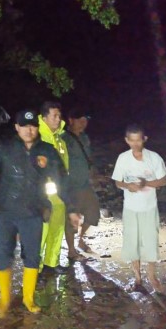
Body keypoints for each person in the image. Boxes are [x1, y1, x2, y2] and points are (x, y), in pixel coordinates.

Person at [0, 110, 79, 318]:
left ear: (37, 128)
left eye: (33, 126)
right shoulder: (5, 149)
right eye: (24, 126)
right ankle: (4, 298)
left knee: (32, 257)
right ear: (17, 128)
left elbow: (61, 181)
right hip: (6, 212)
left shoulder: (46, 151)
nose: (29, 130)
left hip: (33, 213)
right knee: (3, 254)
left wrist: (72, 209)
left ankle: (28, 299)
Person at [111, 124, 166, 293]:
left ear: (144, 140)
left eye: (139, 140)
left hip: (149, 207)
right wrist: (128, 185)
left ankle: (152, 277)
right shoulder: (123, 158)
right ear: (127, 140)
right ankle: (137, 277)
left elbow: (163, 180)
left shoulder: (154, 158)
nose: (135, 144)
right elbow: (117, 181)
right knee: (132, 243)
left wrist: (146, 183)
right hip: (130, 208)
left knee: (150, 242)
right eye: (132, 141)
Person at [62, 108, 101, 259]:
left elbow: (88, 159)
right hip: (70, 186)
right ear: (70, 120)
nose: (83, 123)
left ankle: (80, 240)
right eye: (80, 120)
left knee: (93, 214)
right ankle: (71, 250)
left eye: (85, 120)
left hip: (85, 183)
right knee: (72, 218)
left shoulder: (85, 138)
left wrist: (94, 176)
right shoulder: (64, 139)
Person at [38, 101, 70, 274]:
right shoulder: (38, 137)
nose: (58, 119)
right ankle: (36, 268)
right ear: (44, 118)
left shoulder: (58, 138)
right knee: (42, 229)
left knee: (57, 226)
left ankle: (51, 262)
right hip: (44, 193)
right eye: (54, 116)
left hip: (60, 192)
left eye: (59, 116)